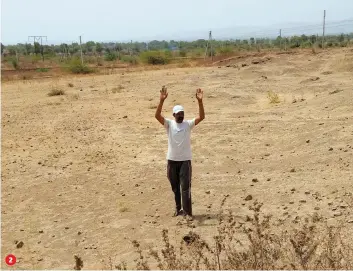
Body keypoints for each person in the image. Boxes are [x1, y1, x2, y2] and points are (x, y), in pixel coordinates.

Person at [155, 86, 205, 220]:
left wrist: (200, 102)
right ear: (174, 115)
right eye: (178, 113)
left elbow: (202, 117)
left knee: (185, 187)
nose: (181, 115)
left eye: (182, 113)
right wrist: (161, 101)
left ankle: (188, 213)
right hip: (172, 160)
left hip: (185, 161)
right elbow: (157, 116)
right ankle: (178, 209)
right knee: (175, 187)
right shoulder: (169, 124)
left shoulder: (188, 124)